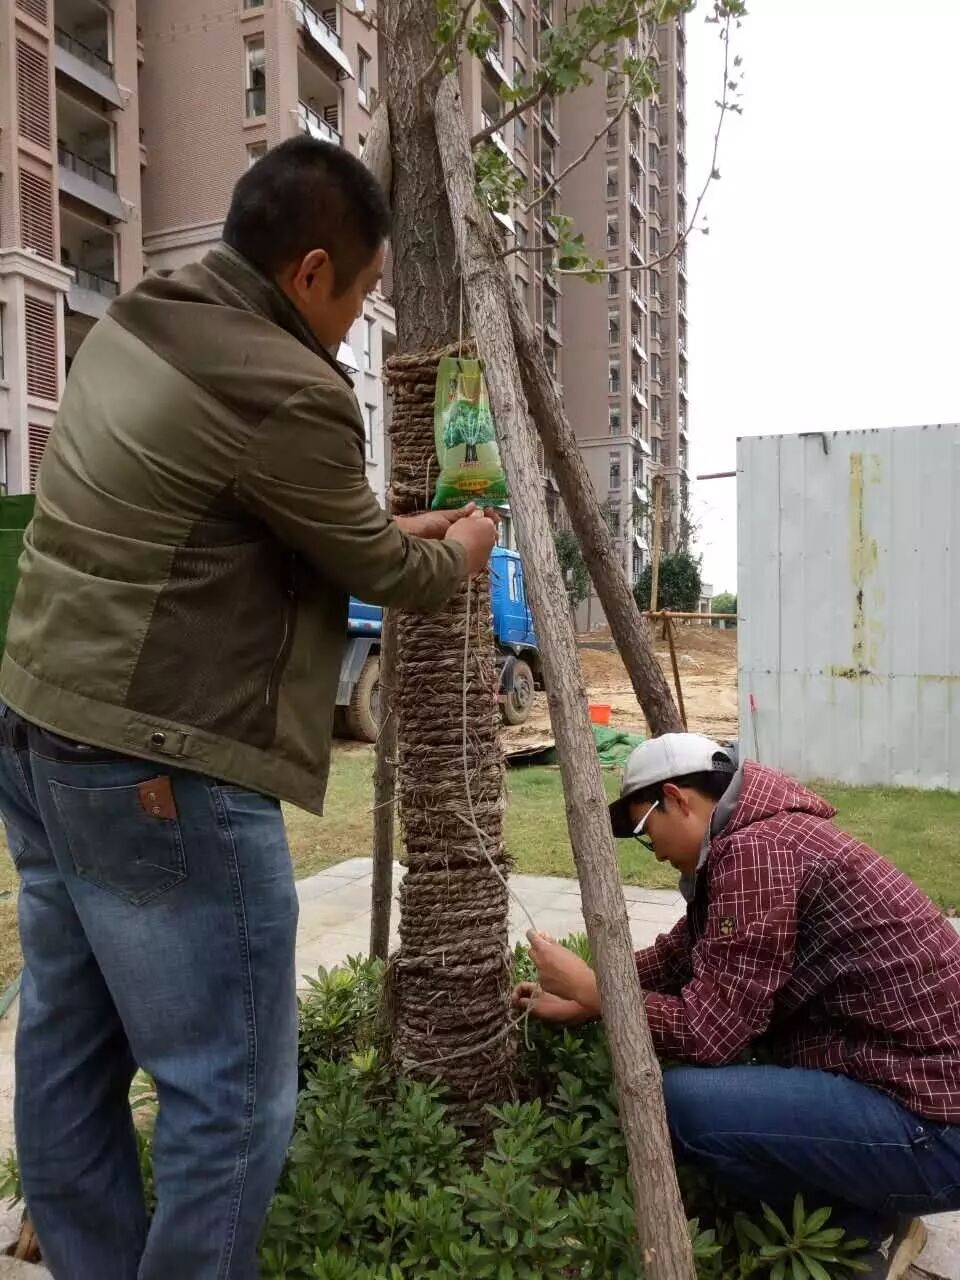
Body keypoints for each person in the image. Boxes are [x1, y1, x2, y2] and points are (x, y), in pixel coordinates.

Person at [0, 137, 497, 1280]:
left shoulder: (141, 318)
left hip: (37, 734)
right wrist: (464, 543)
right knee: (228, 1092)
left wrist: (389, 526)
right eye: (361, 294)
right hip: (159, 763)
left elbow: (238, 509)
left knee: (68, 1053)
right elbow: (391, 573)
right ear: (310, 272)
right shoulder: (290, 384)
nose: (358, 322)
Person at [514, 732, 960, 1279]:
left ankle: (863, 1225)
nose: (652, 849)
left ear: (676, 799)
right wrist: (584, 1000)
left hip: (936, 1129)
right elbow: (679, 955)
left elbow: (710, 1034)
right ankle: (878, 1203)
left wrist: (595, 992)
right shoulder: (762, 838)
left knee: (683, 1104)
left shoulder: (757, 853)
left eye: (644, 829)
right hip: (920, 1096)